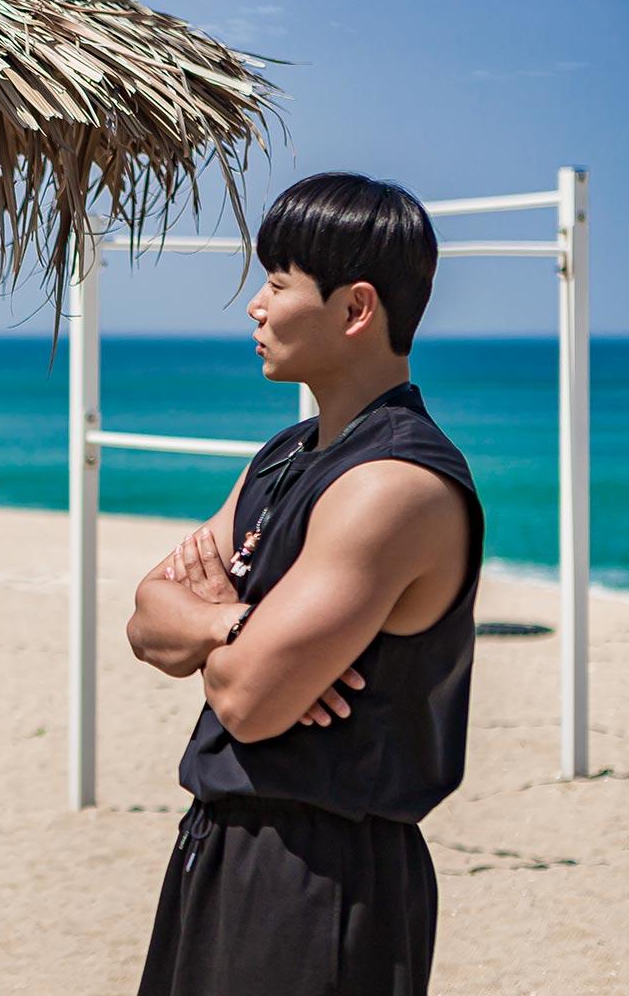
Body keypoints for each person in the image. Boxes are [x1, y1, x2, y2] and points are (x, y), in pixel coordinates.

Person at [125, 172, 481, 996]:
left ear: (355, 309)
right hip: (221, 844)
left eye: (278, 283)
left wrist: (224, 634)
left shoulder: (394, 484)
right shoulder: (286, 454)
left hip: (323, 872)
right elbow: (147, 620)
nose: (255, 305)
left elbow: (250, 701)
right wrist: (236, 626)